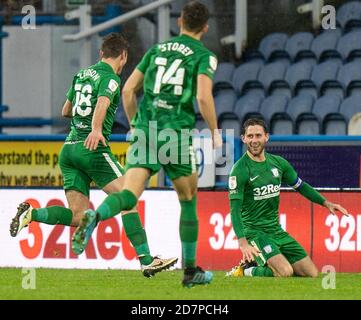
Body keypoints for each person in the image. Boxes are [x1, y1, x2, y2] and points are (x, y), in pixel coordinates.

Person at [72, 1, 221, 287]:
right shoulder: (204, 55)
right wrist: (214, 131)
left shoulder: (156, 50)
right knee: (188, 199)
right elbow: (203, 97)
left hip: (145, 129)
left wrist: (136, 126)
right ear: (205, 27)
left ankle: (96, 215)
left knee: (130, 195)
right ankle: (190, 271)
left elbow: (128, 90)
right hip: (175, 131)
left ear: (179, 22)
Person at [9, 32, 177, 277]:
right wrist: (96, 128)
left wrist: (83, 119)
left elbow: (65, 110)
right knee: (128, 198)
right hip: (91, 149)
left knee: (77, 217)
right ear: (123, 56)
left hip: (68, 149)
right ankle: (147, 260)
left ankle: (31, 214)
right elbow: (102, 102)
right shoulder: (111, 78)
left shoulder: (82, 75)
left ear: (100, 53)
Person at [227, 118, 349, 278]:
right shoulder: (239, 170)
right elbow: (234, 211)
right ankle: (245, 271)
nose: (254, 140)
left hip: (276, 231)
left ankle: (265, 264)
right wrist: (243, 243)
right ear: (243, 138)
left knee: (311, 273)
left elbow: (301, 186)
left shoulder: (279, 163)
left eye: (258, 135)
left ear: (266, 137)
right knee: (285, 272)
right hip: (255, 233)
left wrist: (326, 203)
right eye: (250, 136)